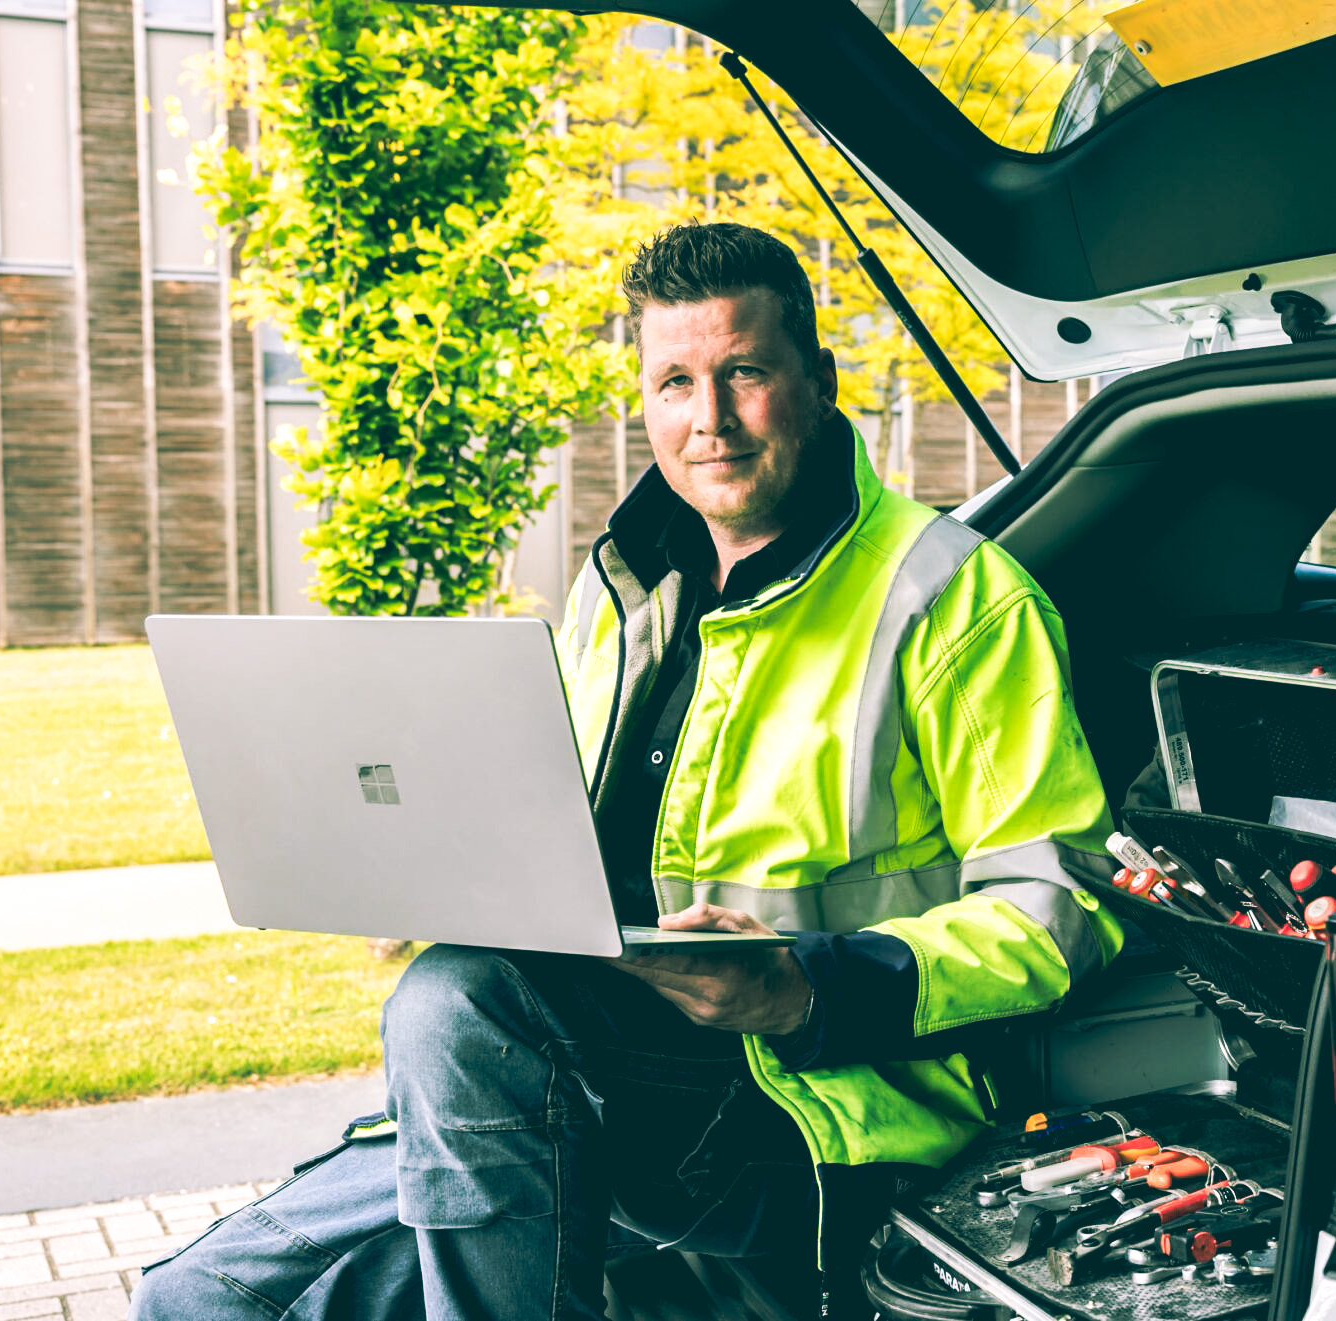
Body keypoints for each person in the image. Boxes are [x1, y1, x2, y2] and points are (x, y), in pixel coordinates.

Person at [129, 221, 1121, 1321]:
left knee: (454, 1003)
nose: (710, 419)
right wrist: (448, 880)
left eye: (744, 372)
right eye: (676, 381)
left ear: (817, 381)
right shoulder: (620, 585)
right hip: (576, 1065)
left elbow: (1057, 905)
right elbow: (566, 833)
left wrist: (805, 984)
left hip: (810, 1103)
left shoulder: (957, 601)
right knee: (202, 1300)